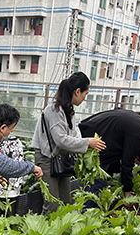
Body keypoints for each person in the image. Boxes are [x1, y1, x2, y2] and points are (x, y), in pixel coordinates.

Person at [31, 72, 106, 211]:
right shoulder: (55, 109)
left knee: (66, 202)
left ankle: (64, 232)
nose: (85, 98)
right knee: (52, 204)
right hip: (47, 159)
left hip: (60, 158)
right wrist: (87, 143)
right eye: (86, 93)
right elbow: (60, 139)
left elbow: (74, 133)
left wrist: (86, 144)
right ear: (77, 91)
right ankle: (46, 232)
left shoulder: (68, 109)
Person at [79, 109, 140, 198]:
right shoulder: (138, 135)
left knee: (98, 179)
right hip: (95, 137)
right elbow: (127, 164)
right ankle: (88, 210)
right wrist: (127, 190)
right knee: (98, 181)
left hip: (94, 130)